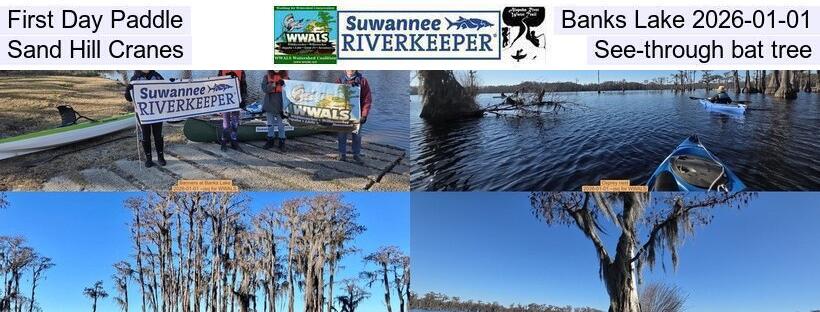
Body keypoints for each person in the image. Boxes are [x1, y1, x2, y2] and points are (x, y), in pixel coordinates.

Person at [125, 70, 166, 168]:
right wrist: (128, 91)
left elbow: (166, 91)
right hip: (142, 114)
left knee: (158, 135)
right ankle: (149, 159)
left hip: (157, 112)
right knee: (145, 136)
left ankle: (160, 157)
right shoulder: (135, 78)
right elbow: (129, 98)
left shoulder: (157, 76)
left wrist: (173, 83)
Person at [336, 70, 372, 162]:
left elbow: (367, 100)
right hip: (342, 114)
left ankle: (356, 154)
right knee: (341, 134)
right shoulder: (339, 80)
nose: (350, 69)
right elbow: (333, 94)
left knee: (357, 135)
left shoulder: (363, 81)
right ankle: (342, 154)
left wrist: (364, 115)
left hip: (357, 114)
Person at [217, 70, 248, 152]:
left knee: (235, 122)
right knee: (226, 124)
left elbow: (244, 86)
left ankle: (234, 142)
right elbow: (216, 84)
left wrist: (243, 100)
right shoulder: (221, 70)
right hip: (225, 101)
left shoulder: (241, 71)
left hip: (237, 100)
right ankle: (223, 142)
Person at [261, 70, 289, 150]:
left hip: (281, 106)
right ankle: (270, 140)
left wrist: (285, 84)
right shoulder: (266, 77)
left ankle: (282, 142)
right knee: (270, 125)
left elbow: (291, 90)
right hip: (269, 105)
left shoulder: (287, 78)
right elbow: (264, 89)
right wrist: (274, 84)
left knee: (281, 126)